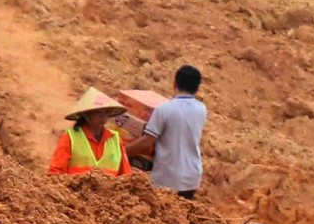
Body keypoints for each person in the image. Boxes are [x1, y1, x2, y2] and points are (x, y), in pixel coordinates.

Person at [136, 64, 208, 197]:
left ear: (174, 83)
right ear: (197, 88)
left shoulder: (164, 109)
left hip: (168, 178)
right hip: (192, 177)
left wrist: (122, 152)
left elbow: (147, 142)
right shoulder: (202, 109)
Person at [48, 99, 133, 176]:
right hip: (74, 192)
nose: (103, 117)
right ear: (86, 114)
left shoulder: (115, 139)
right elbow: (56, 173)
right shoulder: (71, 137)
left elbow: (126, 176)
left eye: (106, 112)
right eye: (98, 112)